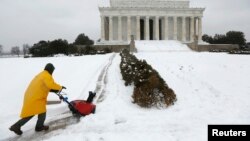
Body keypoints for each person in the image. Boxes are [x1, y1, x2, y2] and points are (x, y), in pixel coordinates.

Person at [9, 63, 66, 135]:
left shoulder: (41, 74)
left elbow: (44, 86)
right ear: (51, 70)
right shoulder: (47, 75)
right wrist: (60, 87)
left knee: (36, 112)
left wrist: (53, 90)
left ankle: (31, 126)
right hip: (36, 98)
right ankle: (34, 127)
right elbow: (51, 84)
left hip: (31, 96)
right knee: (38, 112)